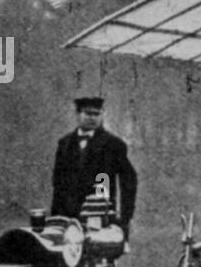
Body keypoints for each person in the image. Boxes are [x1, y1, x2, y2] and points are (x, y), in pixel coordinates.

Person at [50, 96, 138, 236]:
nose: (92, 118)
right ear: (78, 114)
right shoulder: (64, 144)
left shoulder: (113, 144)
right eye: (88, 113)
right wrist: (55, 218)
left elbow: (128, 181)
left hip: (99, 213)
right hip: (67, 215)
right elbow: (58, 183)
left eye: (96, 114)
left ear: (102, 115)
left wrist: (125, 218)